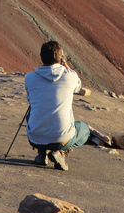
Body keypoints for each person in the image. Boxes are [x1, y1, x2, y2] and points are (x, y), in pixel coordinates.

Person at [25, 40, 90, 170]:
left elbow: (30, 99)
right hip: (62, 139)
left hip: (35, 138)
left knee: (32, 111)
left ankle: (42, 154)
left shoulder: (30, 77)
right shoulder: (70, 76)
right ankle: (60, 152)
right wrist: (65, 64)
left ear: (42, 57)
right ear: (60, 58)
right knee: (84, 129)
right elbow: (78, 84)